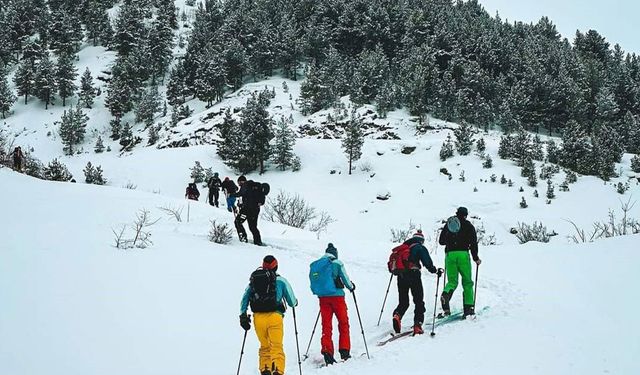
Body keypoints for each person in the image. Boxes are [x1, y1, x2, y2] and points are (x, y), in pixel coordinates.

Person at [240, 255, 298, 375]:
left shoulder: (254, 280)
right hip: (275, 317)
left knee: (265, 347)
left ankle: (265, 369)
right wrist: (295, 303)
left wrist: (243, 316)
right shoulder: (281, 281)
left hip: (258, 318)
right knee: (276, 347)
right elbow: (292, 302)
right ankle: (277, 370)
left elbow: (245, 297)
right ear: (276, 267)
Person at [309, 243, 355, 365]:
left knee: (326, 325)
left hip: (323, 298)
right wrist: (351, 287)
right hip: (337, 298)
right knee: (343, 323)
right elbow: (345, 279)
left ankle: (326, 350)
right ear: (335, 253)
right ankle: (344, 350)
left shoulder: (319, 264)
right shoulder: (337, 263)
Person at [392, 230, 441, 335]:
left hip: (401, 276)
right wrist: (435, 270)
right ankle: (417, 325)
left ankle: (397, 315)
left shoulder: (402, 248)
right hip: (414, 275)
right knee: (418, 301)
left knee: (403, 301)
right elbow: (427, 262)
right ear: (421, 240)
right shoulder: (419, 247)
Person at [439, 207, 481, 318]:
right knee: (467, 282)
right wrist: (475, 257)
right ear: (466, 215)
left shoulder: (449, 224)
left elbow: (441, 241)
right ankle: (468, 309)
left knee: (452, 281)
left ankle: (446, 295)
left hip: (450, 255)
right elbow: (473, 243)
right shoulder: (468, 225)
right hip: (463, 254)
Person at [232, 175, 264, 245]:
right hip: (255, 209)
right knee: (253, 227)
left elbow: (241, 193)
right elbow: (249, 198)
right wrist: (241, 204)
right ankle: (258, 241)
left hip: (247, 210)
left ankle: (243, 238)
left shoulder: (245, 185)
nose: (239, 185)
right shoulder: (253, 186)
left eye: (239, 183)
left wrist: (232, 195)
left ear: (241, 181)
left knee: (238, 221)